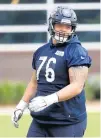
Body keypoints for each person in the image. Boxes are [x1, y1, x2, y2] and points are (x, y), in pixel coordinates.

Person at [11, 6, 92, 137]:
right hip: (41, 120)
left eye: (68, 27)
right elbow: (34, 82)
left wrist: (48, 100)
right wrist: (22, 105)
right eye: (60, 25)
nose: (63, 30)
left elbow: (77, 86)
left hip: (67, 121)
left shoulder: (76, 51)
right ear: (52, 25)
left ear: (73, 28)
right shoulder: (41, 51)